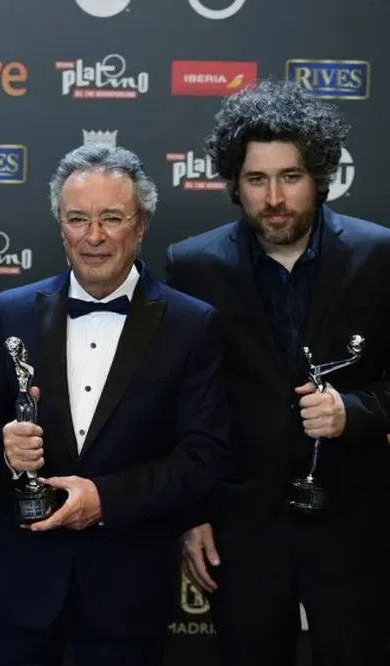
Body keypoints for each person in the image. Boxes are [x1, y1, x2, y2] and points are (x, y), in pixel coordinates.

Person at [0, 144, 230, 666]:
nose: (94, 236)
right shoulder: (11, 311)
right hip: (24, 583)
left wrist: (104, 498)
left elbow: (203, 456)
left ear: (142, 223)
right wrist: (3, 446)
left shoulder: (191, 324)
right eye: (78, 219)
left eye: (112, 218)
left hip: (128, 588)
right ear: (60, 224)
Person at [166, 79, 390, 666]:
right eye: (256, 179)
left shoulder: (377, 255)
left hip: (355, 524)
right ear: (234, 185)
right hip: (242, 530)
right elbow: (182, 407)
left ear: (318, 176)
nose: (274, 198)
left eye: (290, 177)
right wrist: (194, 514)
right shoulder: (193, 266)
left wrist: (353, 412)